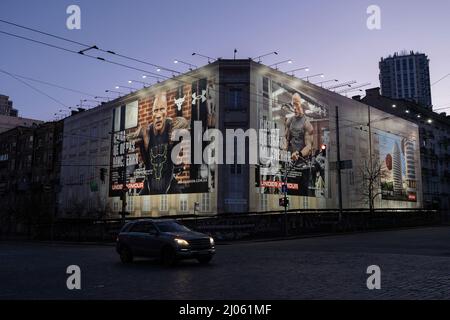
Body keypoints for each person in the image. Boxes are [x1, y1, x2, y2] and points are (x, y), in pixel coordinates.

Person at [134, 92, 188, 195]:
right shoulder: (147, 132)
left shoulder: (171, 126)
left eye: (162, 109)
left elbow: (177, 158)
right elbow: (146, 161)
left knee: (181, 199)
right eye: (155, 110)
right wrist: (143, 141)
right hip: (150, 183)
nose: (158, 115)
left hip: (169, 182)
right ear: (152, 113)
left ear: (166, 111)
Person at [284, 93, 314, 196]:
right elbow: (286, 140)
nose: (295, 108)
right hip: (291, 168)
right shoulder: (289, 121)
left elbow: (309, 147)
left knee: (302, 197)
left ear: (303, 105)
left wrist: (299, 154)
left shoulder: (307, 124)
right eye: (293, 105)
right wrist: (283, 150)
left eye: (297, 104)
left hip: (303, 168)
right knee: (289, 197)